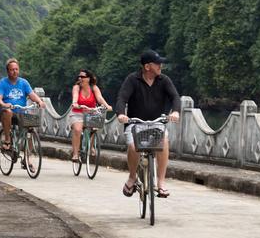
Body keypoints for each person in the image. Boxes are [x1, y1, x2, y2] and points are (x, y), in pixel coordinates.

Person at [115, 50, 181, 198]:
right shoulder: (132, 80)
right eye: (158, 64)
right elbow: (121, 98)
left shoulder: (164, 80)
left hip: (157, 123)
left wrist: (175, 111)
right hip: (135, 123)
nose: (161, 66)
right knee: (133, 146)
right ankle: (132, 177)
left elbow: (175, 97)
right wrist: (121, 114)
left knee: (164, 142)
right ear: (147, 66)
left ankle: (161, 183)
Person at [0, 58, 46, 149]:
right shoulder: (2, 83)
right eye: (12, 70)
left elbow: (32, 94)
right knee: (8, 112)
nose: (15, 72)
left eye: (16, 69)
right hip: (5, 113)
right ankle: (7, 141)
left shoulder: (24, 83)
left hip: (21, 113)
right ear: (8, 71)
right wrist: (4, 104)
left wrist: (39, 101)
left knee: (31, 126)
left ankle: (27, 157)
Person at [69, 69, 112, 162]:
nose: (80, 78)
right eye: (79, 77)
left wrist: (107, 105)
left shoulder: (94, 88)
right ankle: (75, 153)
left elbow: (100, 98)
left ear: (88, 78)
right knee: (77, 129)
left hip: (91, 113)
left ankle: (91, 146)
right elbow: (75, 96)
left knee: (95, 127)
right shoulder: (77, 87)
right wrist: (75, 103)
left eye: (83, 77)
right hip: (77, 113)